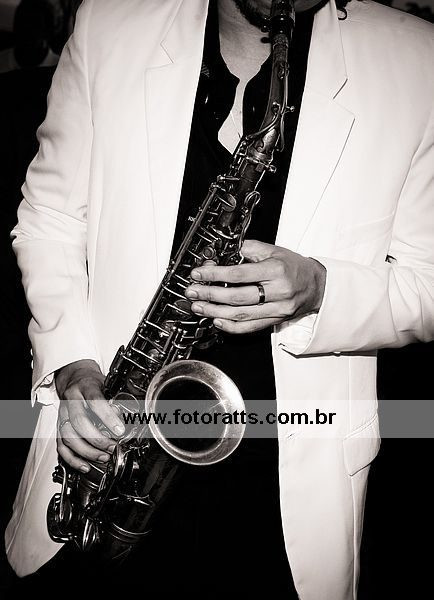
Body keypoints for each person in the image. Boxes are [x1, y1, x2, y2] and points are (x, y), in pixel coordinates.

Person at [5, 0, 434, 598]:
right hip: (106, 453)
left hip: (285, 491)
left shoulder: (417, 60)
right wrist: (71, 363)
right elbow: (49, 220)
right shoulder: (108, 25)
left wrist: (320, 289)